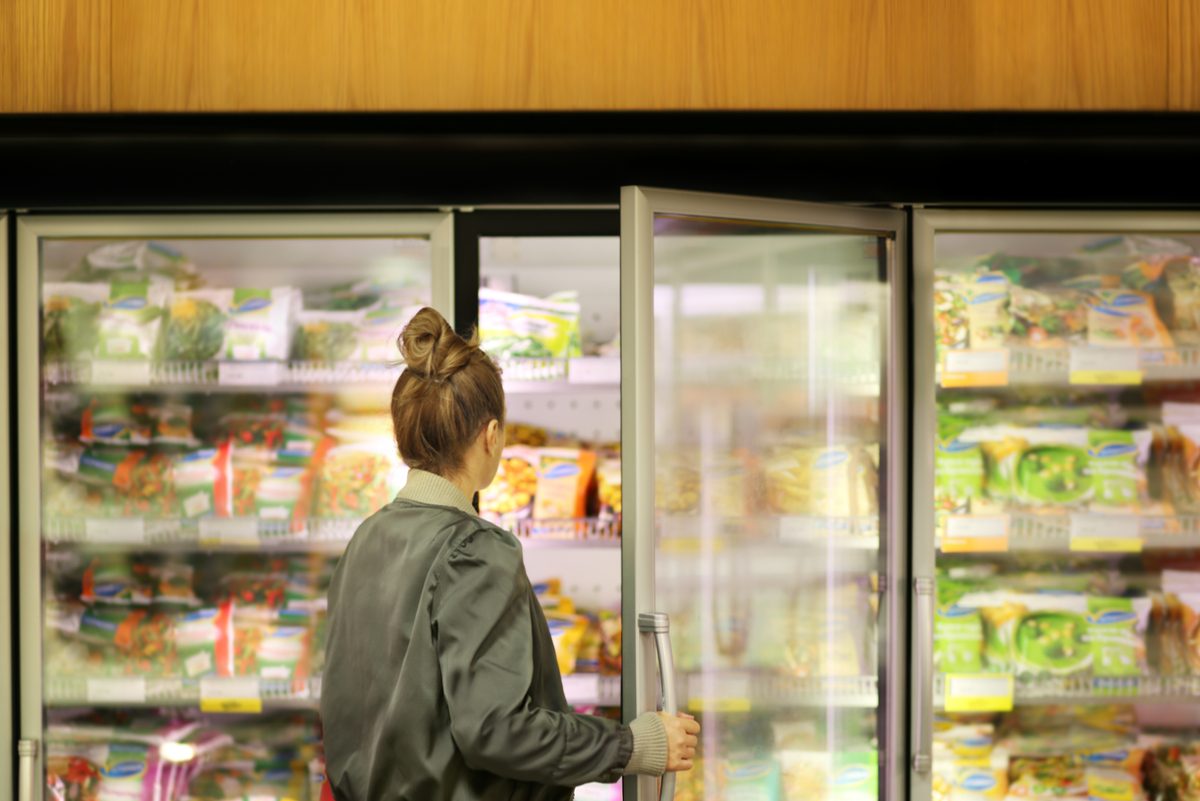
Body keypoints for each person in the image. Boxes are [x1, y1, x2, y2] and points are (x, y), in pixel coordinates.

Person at [321, 307, 699, 800]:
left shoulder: (365, 539)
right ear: (491, 435)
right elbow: (496, 731)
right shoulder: (474, 550)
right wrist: (630, 746)